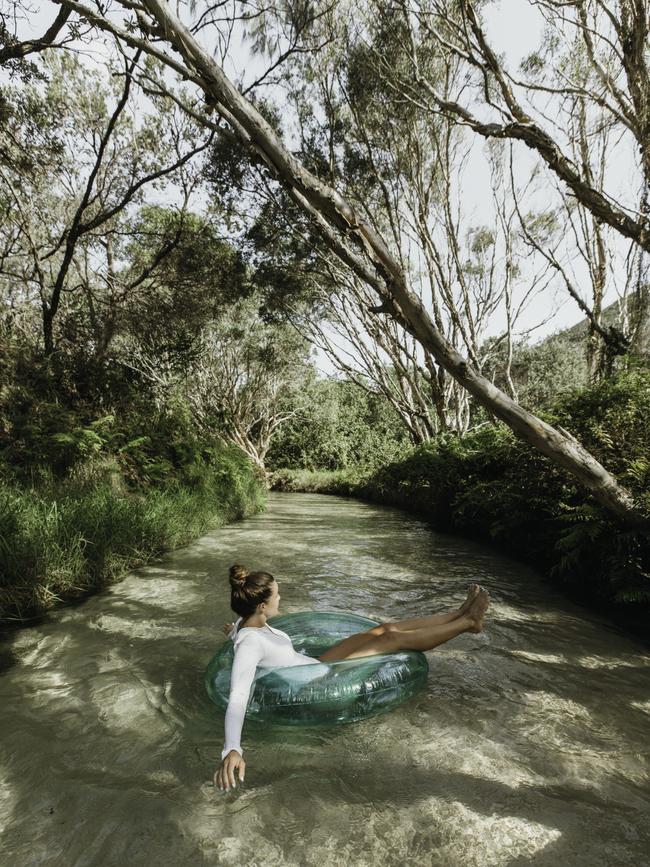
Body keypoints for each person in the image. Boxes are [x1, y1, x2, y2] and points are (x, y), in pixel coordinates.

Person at [214, 564, 490, 792]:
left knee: (383, 629)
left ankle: (459, 614)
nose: (280, 598)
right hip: (324, 684)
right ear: (262, 605)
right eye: (277, 595)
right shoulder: (250, 642)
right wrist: (232, 748)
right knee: (391, 640)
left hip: (320, 666)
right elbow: (238, 695)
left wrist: (232, 632)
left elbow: (241, 629)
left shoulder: (247, 624)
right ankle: (468, 624)